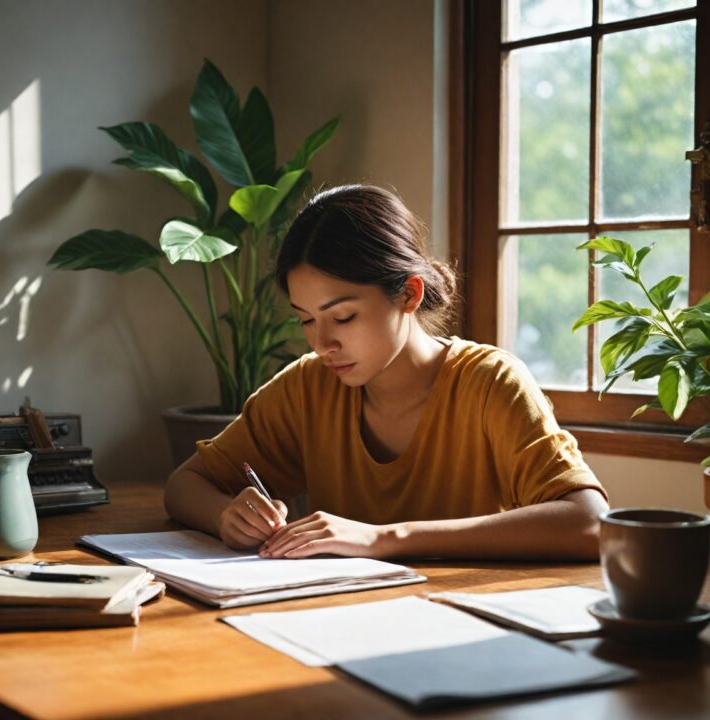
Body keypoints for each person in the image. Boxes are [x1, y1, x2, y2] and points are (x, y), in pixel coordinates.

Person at [164, 185, 609, 561]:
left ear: (409, 295)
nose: (322, 343)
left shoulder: (490, 382)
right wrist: (225, 515)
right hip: (330, 622)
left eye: (343, 317)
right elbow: (184, 484)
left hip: (464, 622)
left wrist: (384, 538)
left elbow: (590, 521)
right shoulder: (308, 386)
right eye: (306, 320)